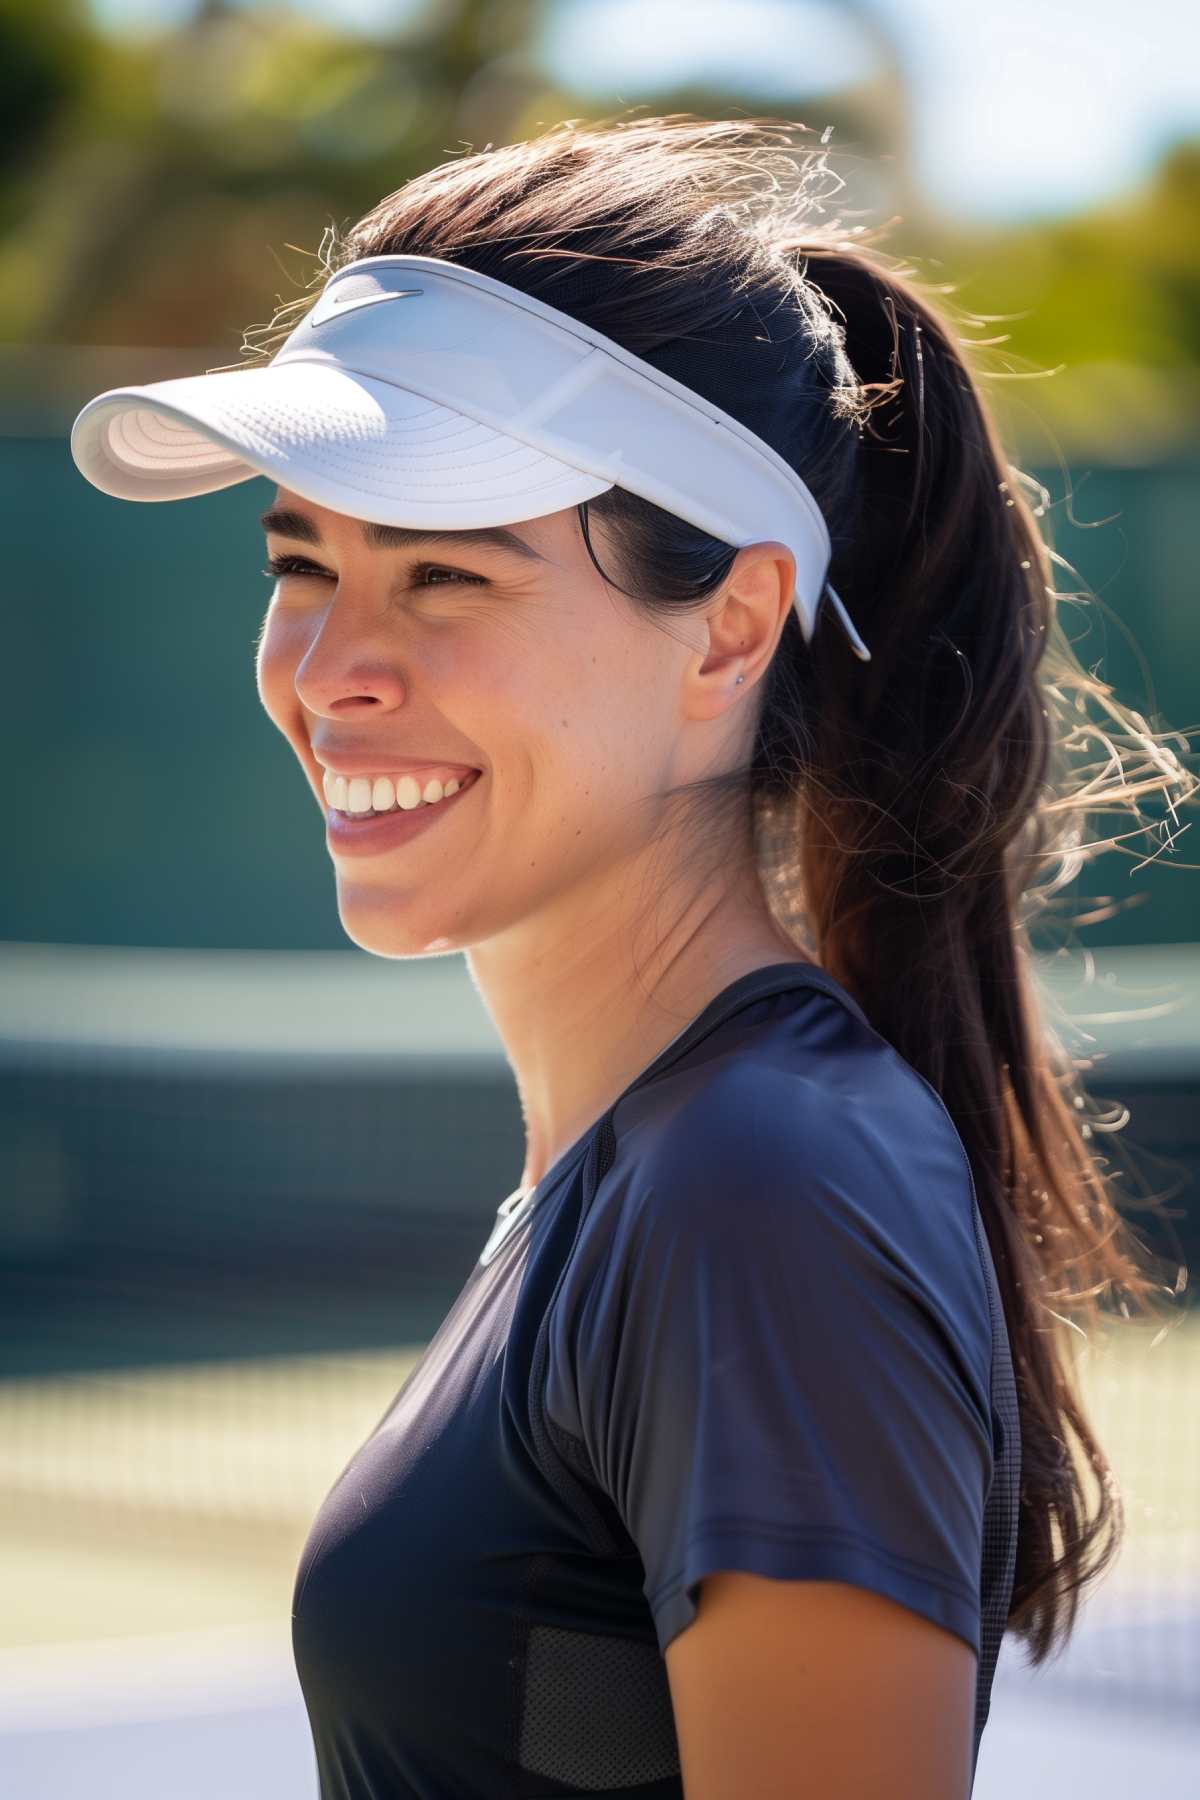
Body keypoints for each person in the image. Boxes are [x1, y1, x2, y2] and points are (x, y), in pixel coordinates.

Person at [70, 115, 1188, 1800]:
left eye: (448, 573)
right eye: (304, 559)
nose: (332, 669)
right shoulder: (664, 1168)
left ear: (731, 627)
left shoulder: (763, 1191)